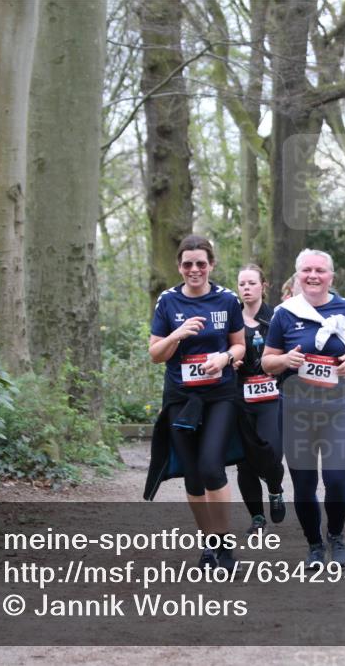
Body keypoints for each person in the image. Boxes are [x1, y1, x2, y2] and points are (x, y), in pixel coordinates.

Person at [262, 249, 345, 567]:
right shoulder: (284, 314)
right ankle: (314, 545)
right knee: (303, 483)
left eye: (320, 270)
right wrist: (285, 360)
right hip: (297, 410)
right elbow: (267, 361)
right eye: (306, 270)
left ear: (331, 276)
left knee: (336, 477)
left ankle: (337, 538)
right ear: (297, 275)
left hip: (340, 407)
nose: (313, 276)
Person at [146, 235, 245, 570]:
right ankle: (208, 546)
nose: (194, 269)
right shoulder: (167, 302)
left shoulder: (227, 300)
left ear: (211, 265)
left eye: (201, 263)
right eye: (187, 264)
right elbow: (155, 355)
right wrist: (177, 334)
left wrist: (224, 358)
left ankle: (225, 545)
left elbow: (240, 346)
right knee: (192, 476)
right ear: (179, 266)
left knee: (211, 466)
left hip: (219, 395)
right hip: (181, 398)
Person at [234, 264, 286, 534]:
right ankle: (257, 517)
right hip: (241, 399)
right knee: (244, 462)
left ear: (263, 286)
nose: (246, 288)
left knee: (272, 453)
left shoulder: (276, 317)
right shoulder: (232, 319)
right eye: (242, 283)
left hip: (271, 396)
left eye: (252, 283)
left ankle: (275, 489)